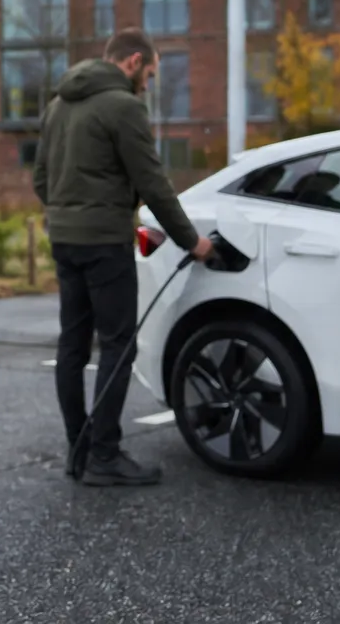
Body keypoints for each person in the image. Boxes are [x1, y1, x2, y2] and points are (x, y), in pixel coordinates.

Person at [32, 27, 212, 487]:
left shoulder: (57, 105)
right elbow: (153, 182)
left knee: (73, 345)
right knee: (118, 344)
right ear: (133, 62)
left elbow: (40, 178)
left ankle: (79, 446)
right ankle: (104, 455)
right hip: (104, 242)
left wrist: (66, 212)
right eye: (148, 75)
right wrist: (193, 241)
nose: (147, 86)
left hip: (64, 239)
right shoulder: (123, 106)